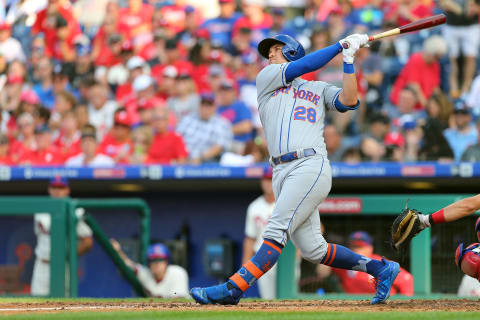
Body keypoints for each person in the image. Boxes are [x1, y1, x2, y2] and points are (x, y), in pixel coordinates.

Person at [190, 33, 400, 305]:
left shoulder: (318, 88)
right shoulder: (267, 79)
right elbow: (302, 67)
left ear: (291, 52)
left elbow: (349, 100)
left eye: (276, 50)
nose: (270, 55)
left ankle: (233, 288)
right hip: (280, 170)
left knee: (275, 230)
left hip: (309, 164)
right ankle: (380, 268)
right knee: (314, 249)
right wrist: (338, 45)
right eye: (269, 51)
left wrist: (348, 59)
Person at [31, 177, 93, 296]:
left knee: (63, 304)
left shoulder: (74, 211)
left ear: (67, 190)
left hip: (63, 266)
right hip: (42, 264)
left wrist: (66, 256)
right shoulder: (40, 210)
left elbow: (87, 242)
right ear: (49, 189)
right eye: (54, 187)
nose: (57, 191)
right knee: (36, 305)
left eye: (61, 188)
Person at [329, 231, 413, 296]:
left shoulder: (379, 263)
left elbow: (407, 279)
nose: (356, 250)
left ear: (370, 248)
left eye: (360, 247)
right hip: (356, 308)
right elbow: (326, 267)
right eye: (353, 246)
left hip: (382, 306)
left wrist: (403, 303)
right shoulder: (345, 264)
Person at [110, 240, 189, 298]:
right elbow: (127, 263)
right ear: (149, 263)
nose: (156, 264)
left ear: (166, 262)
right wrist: (118, 250)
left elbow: (179, 301)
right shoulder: (145, 274)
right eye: (153, 260)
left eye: (160, 260)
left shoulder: (177, 272)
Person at [242, 169, 276, 299]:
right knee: (268, 298)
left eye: (272, 179)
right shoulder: (254, 206)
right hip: (263, 258)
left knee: (288, 297)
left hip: (285, 259)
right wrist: (245, 266)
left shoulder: (287, 203)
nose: (269, 183)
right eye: (266, 180)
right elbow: (250, 238)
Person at [176, 93, 233, 164]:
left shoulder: (222, 123)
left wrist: (199, 158)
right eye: (203, 105)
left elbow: (219, 147)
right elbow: (176, 139)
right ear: (199, 106)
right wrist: (181, 157)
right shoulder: (187, 119)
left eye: (209, 105)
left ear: (215, 107)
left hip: (207, 161)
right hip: (182, 158)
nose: (205, 108)